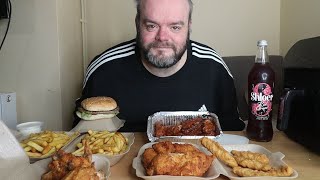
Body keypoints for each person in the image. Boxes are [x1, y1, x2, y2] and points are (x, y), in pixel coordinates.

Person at [73, 0, 245, 132]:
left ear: (189, 26)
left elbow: (233, 136)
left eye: (175, 27)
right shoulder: (103, 71)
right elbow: (80, 143)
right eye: (152, 26)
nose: (162, 37)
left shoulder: (215, 69)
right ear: (137, 23)